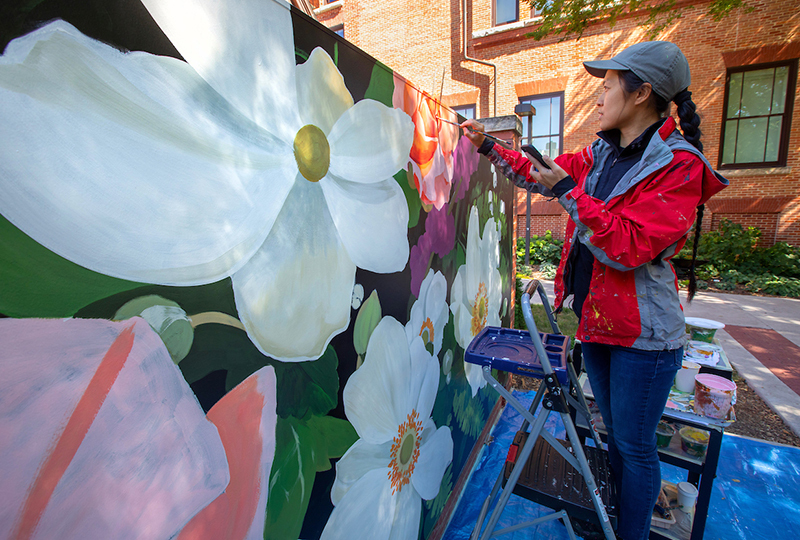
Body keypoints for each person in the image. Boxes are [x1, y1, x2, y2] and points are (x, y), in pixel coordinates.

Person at [461, 41, 728, 540]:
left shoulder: (679, 166)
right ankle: (612, 524)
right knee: (613, 436)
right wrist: (487, 146)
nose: (599, 96)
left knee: (634, 447)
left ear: (642, 93)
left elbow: (627, 246)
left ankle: (631, 534)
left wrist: (568, 191)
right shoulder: (603, 151)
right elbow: (543, 175)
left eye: (607, 86)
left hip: (642, 338)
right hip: (597, 323)